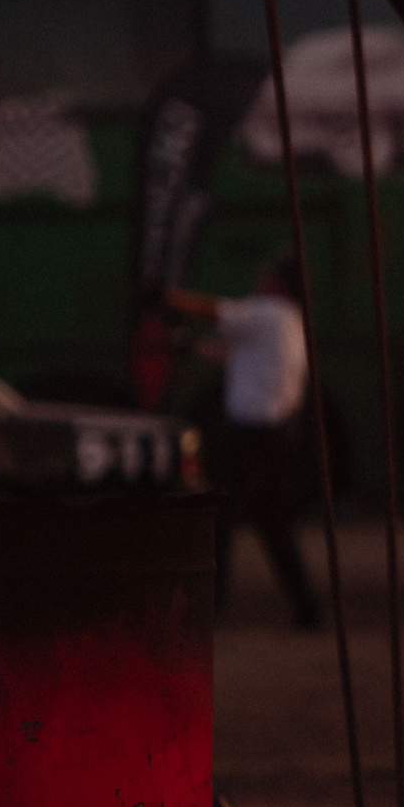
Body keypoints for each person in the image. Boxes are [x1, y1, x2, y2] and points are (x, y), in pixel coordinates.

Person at [166, 260, 322, 629]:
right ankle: (307, 608)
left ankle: (212, 606)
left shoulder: (267, 312)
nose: (258, 278)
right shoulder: (288, 321)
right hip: (279, 431)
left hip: (252, 431)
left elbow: (213, 310)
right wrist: (194, 347)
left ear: (280, 285)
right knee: (271, 520)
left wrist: (166, 297)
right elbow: (232, 352)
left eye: (267, 274)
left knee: (221, 514)